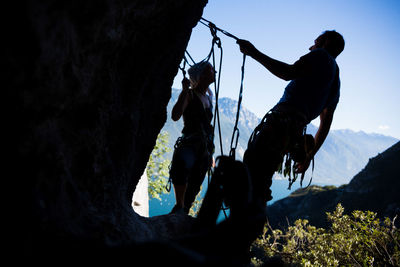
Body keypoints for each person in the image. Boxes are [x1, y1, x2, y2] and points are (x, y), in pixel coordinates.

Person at [236, 30, 345, 206]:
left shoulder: (320, 55)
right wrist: (309, 155)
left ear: (325, 44)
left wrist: (253, 52)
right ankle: (250, 222)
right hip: (294, 130)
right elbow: (326, 122)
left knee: (252, 171)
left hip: (280, 123)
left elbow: (288, 72)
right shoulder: (335, 79)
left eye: (315, 42)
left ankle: (244, 225)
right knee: (262, 176)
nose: (310, 47)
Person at [169, 61, 216, 214]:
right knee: (181, 168)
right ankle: (180, 206)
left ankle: (184, 208)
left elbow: (208, 127)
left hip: (204, 147)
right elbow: (175, 115)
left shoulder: (208, 99)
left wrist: (211, 152)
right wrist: (184, 90)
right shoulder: (189, 95)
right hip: (191, 142)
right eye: (211, 70)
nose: (214, 71)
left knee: (196, 182)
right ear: (201, 76)